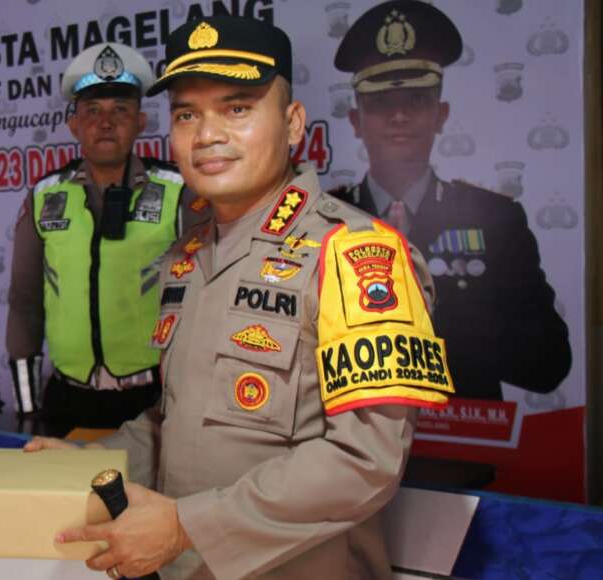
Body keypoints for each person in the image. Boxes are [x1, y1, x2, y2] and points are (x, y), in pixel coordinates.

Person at [26, 14, 455, 579]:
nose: (207, 135)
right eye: (187, 114)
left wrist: (188, 526)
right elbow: (174, 422)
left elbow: (365, 461)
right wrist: (96, 460)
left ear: (293, 122)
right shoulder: (187, 255)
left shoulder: (354, 253)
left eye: (237, 109)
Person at [331, 0, 571, 401]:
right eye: (381, 103)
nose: (399, 116)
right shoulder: (323, 220)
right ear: (356, 121)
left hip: (464, 434)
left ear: (441, 114)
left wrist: (442, 314)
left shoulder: (496, 220)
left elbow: (549, 362)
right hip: (352, 436)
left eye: (416, 100)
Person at [6, 42, 202, 428]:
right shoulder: (46, 195)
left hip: (152, 399)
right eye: (92, 111)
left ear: (140, 123)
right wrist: (27, 411)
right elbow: (24, 302)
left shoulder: (178, 190)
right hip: (67, 400)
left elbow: (204, 302)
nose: (106, 122)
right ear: (74, 125)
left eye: (120, 110)